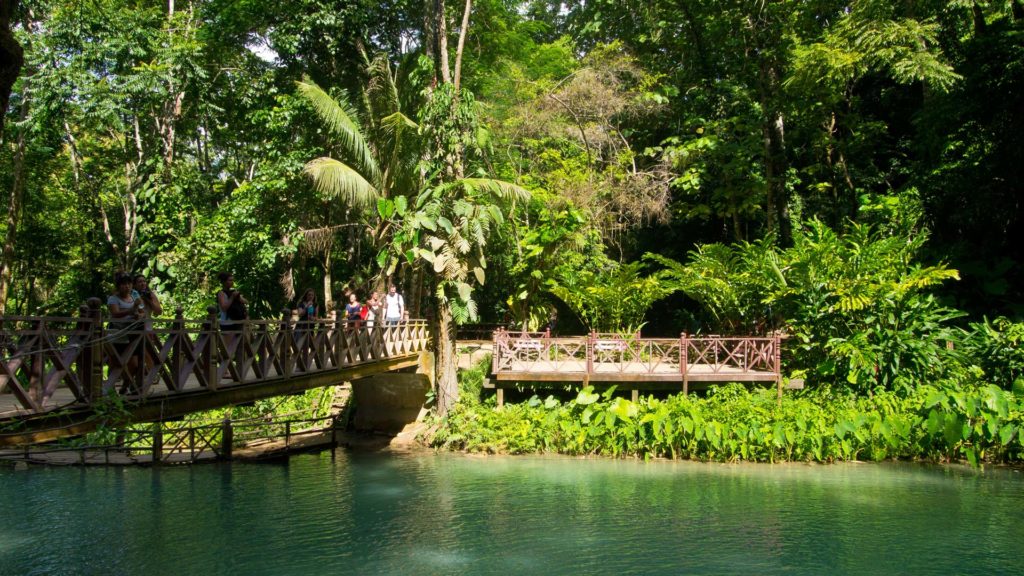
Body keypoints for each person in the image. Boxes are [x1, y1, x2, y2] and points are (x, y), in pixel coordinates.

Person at [107, 272, 145, 380]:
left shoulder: (134, 296)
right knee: (115, 362)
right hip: (118, 334)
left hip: (133, 333)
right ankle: (110, 388)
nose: (127, 286)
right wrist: (131, 311)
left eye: (129, 283)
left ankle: (127, 384)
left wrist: (139, 315)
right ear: (118, 286)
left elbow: (143, 312)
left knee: (134, 364)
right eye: (124, 284)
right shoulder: (113, 298)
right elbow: (115, 314)